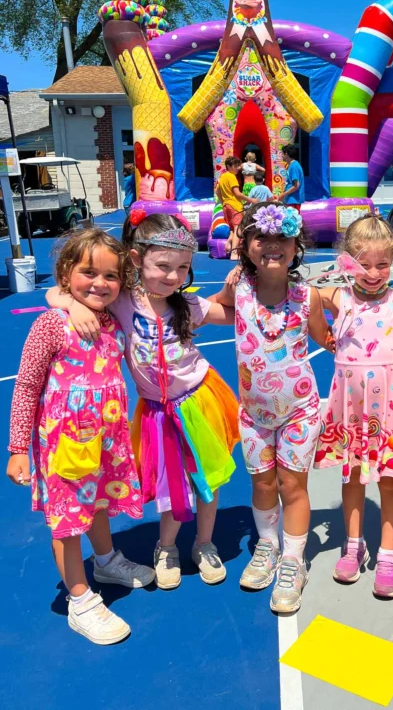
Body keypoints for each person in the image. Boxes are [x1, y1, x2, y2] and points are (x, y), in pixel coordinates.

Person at [47, 212, 239, 591]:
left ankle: (204, 543)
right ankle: (166, 548)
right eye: (163, 266)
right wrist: (74, 307)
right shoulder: (122, 302)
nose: (173, 276)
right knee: (170, 480)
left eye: (182, 268)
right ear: (136, 259)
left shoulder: (188, 305)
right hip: (157, 412)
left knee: (207, 478)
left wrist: (235, 291)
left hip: (198, 402)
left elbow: (232, 314)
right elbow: (57, 292)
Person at [7, 229, 155, 645]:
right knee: (67, 521)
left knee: (99, 503)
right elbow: (26, 387)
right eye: (89, 272)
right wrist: (18, 448)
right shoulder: (51, 325)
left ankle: (106, 561)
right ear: (65, 274)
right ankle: (80, 599)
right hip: (64, 445)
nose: (100, 283)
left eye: (111, 276)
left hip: (106, 441)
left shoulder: (112, 319)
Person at [213, 201, 332, 613]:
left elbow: (324, 337)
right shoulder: (238, 289)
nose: (272, 245)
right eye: (261, 237)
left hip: (300, 410)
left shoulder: (306, 295)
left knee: (292, 487)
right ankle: (267, 545)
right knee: (263, 485)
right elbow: (211, 308)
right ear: (245, 245)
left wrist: (363, 339)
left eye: (283, 238)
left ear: (297, 246)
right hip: (254, 416)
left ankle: (294, 561)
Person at [315, 215, 393, 599]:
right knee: (351, 476)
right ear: (347, 261)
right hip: (350, 408)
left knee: (390, 480)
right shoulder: (336, 298)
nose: (372, 273)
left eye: (382, 264)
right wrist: (326, 339)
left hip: (389, 409)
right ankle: (353, 543)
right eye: (363, 264)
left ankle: (388, 554)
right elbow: (302, 297)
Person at [216, 156, 258, 260]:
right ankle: (234, 252)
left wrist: (224, 202)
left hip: (226, 206)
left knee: (232, 229)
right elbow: (237, 193)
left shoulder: (223, 177)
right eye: (235, 166)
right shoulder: (231, 177)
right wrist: (251, 200)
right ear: (228, 166)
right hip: (234, 206)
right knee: (238, 228)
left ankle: (229, 245)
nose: (238, 168)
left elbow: (217, 191)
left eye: (238, 166)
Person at [280, 144, 305, 210]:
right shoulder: (291, 165)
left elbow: (296, 185)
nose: (281, 156)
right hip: (290, 199)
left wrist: (283, 194)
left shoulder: (294, 166)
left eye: (282, 154)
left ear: (286, 154)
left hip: (294, 200)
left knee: (293, 216)